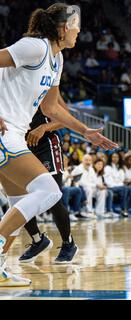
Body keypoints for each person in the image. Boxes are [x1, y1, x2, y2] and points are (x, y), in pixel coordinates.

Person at [0, 3, 118, 286]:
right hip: (4, 131)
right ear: (64, 27)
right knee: (48, 191)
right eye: (77, 27)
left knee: (18, 204)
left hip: (14, 134)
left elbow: (52, 107)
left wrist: (85, 131)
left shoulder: (57, 59)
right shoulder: (35, 47)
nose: (79, 32)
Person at [16, 96, 78, 265]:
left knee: (52, 196)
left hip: (46, 144)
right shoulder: (7, 84)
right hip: (20, 144)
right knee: (19, 197)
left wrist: (44, 127)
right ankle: (38, 240)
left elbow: (65, 117)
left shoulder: (44, 79)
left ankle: (68, 243)